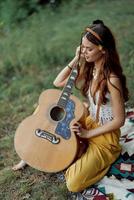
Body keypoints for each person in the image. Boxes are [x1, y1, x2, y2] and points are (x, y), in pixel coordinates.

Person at [12, 19, 129, 194]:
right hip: (88, 122)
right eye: (83, 48)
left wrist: (88, 134)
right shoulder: (90, 70)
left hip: (106, 136)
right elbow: (57, 82)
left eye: (89, 49)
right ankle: (32, 151)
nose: (85, 52)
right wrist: (76, 58)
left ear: (102, 49)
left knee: (73, 183)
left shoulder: (112, 79)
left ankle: (105, 158)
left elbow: (120, 120)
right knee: (45, 109)